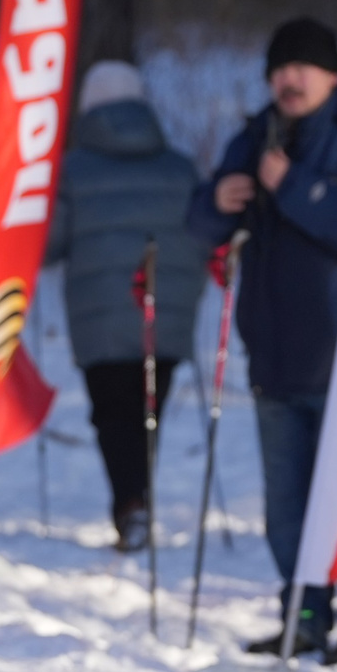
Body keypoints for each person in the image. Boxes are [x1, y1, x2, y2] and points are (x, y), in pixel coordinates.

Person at [185, 17, 337, 665]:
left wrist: (292, 186)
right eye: (278, 68)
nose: (288, 79)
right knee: (287, 506)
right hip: (274, 354)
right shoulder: (257, 134)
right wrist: (218, 198)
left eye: (302, 66)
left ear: (334, 74)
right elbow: (201, 222)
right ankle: (302, 615)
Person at [44, 61, 209, 553]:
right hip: (170, 314)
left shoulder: (71, 170)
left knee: (113, 413)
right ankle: (138, 499)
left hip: (100, 318)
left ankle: (130, 504)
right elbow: (203, 236)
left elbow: (49, 245)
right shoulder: (180, 168)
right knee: (147, 410)